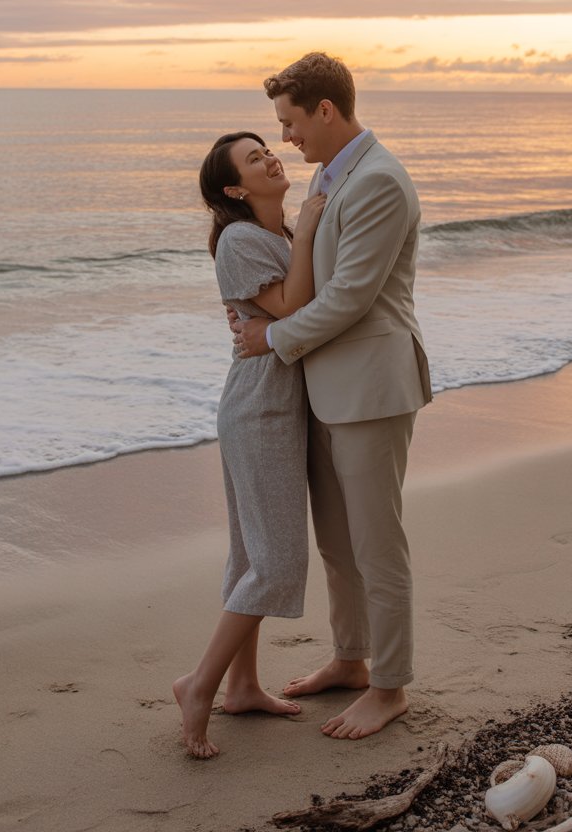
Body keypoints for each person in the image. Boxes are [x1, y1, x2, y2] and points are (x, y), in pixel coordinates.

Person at [231, 53, 432, 740]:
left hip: (372, 388)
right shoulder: (331, 174)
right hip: (327, 389)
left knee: (379, 545)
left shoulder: (379, 181)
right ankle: (351, 660)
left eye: (289, 122)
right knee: (340, 546)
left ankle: (390, 685)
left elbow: (349, 298)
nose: (284, 138)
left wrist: (273, 338)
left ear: (326, 109)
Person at [173, 131, 326, 758]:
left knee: (251, 554)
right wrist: (313, 227)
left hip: (271, 406)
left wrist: (302, 236)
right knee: (277, 560)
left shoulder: (275, 236)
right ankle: (200, 684)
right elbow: (292, 303)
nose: (269, 156)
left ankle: (242, 686)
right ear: (234, 188)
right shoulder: (242, 239)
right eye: (252, 157)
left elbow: (286, 313)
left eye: (267, 146)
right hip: (258, 408)